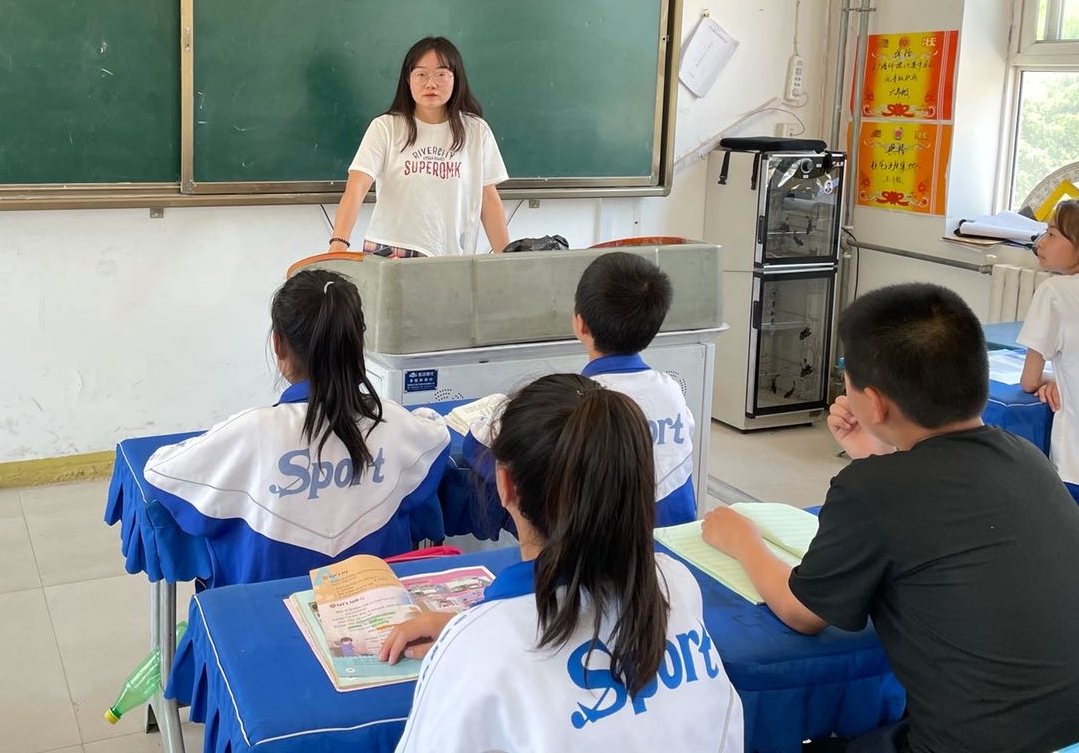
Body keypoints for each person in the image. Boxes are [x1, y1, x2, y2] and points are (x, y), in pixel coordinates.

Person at [702, 283, 1079, 753]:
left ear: (875, 402)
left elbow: (802, 613)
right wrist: (878, 456)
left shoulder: (872, 490)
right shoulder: (1026, 456)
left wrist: (743, 540)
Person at [386, 374, 743, 752]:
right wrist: (471, 629)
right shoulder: (675, 582)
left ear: (505, 484)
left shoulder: (479, 652)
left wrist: (470, 635)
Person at [143, 269, 452, 587]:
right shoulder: (392, 421)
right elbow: (438, 436)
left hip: (263, 613)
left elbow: (159, 471)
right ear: (358, 342)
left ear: (278, 345)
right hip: (379, 609)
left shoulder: (251, 431)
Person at [463, 251, 698, 526]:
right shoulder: (671, 391)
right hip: (677, 539)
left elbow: (476, 446)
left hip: (602, 543)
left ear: (580, 322)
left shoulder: (575, 401)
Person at [326, 37, 509, 258]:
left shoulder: (476, 131)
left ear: (456, 79)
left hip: (452, 254)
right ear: (408, 79)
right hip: (392, 250)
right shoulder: (385, 127)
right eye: (421, 74)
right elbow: (356, 188)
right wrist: (338, 244)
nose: (431, 84)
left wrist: (507, 259)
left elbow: (488, 200)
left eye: (441, 74)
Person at [1018, 198, 1079, 502]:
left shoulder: (1054, 291)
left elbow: (1029, 381)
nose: (1040, 242)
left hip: (1074, 464)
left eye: (1053, 234)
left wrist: (1054, 379)